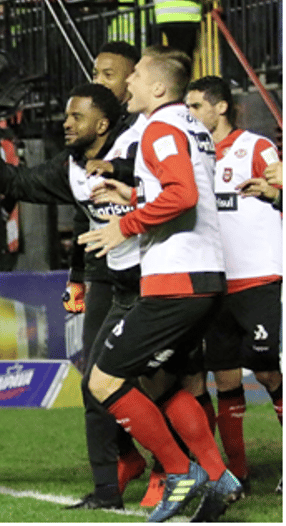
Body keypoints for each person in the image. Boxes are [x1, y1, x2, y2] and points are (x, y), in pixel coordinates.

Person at [0, 80, 145, 511]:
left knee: (168, 382)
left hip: (159, 279)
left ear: (104, 123)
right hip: (111, 283)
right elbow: (21, 182)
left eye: (77, 117)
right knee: (95, 382)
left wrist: (122, 176)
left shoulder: (138, 146)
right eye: (68, 115)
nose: (66, 122)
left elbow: (169, 187)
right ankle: (108, 490)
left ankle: (186, 472)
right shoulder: (70, 166)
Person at [77, 45, 242, 522]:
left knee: (104, 380)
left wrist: (122, 226)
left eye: (135, 77)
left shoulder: (159, 127)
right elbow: (184, 188)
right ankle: (218, 475)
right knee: (162, 385)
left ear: (157, 88)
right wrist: (129, 193)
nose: (126, 84)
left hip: (177, 281)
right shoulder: (192, 127)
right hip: (205, 275)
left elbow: (183, 195)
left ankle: (178, 471)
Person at [184, 75, 283, 494]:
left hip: (259, 277)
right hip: (215, 282)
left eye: (195, 106)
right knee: (224, 379)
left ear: (220, 106)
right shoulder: (193, 157)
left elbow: (279, 187)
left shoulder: (256, 147)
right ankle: (237, 474)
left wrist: (274, 190)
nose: (189, 115)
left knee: (266, 371)